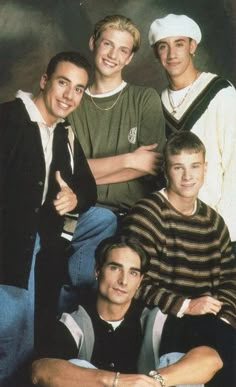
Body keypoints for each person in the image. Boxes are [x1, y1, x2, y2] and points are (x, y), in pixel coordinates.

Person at [0, 51, 100, 387]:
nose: (69, 96)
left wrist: (75, 197)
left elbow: (88, 187)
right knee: (15, 335)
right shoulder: (8, 120)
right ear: (44, 81)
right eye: (62, 83)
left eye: (79, 89)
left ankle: (68, 295)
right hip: (11, 244)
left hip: (43, 238)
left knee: (102, 220)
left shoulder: (64, 132)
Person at [122, 131, 236, 386]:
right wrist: (186, 305)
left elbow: (229, 282)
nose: (187, 177)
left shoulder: (215, 223)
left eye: (195, 167)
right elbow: (132, 283)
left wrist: (225, 318)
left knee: (224, 341)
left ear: (205, 169)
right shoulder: (147, 215)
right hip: (159, 315)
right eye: (178, 167)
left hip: (207, 320)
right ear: (166, 170)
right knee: (223, 349)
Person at [31, 235, 222, 387]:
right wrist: (115, 381)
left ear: (139, 281)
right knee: (77, 367)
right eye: (115, 268)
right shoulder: (75, 321)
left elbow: (211, 359)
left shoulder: (156, 319)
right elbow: (40, 371)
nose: (124, 281)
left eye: (133, 273)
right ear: (97, 270)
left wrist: (155, 382)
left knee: (178, 365)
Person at [65, 14, 166, 292]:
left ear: (130, 58)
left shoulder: (144, 99)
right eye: (107, 44)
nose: (113, 55)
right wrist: (129, 160)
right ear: (92, 43)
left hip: (134, 219)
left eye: (123, 50)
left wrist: (86, 172)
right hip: (83, 215)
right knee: (79, 283)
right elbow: (65, 171)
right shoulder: (72, 99)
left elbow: (152, 166)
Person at [148, 13, 236, 254]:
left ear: (192, 46)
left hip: (217, 224)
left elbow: (234, 163)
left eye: (179, 44)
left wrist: (226, 228)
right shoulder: (157, 102)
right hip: (172, 228)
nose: (172, 54)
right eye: (163, 46)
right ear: (157, 54)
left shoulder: (220, 93)